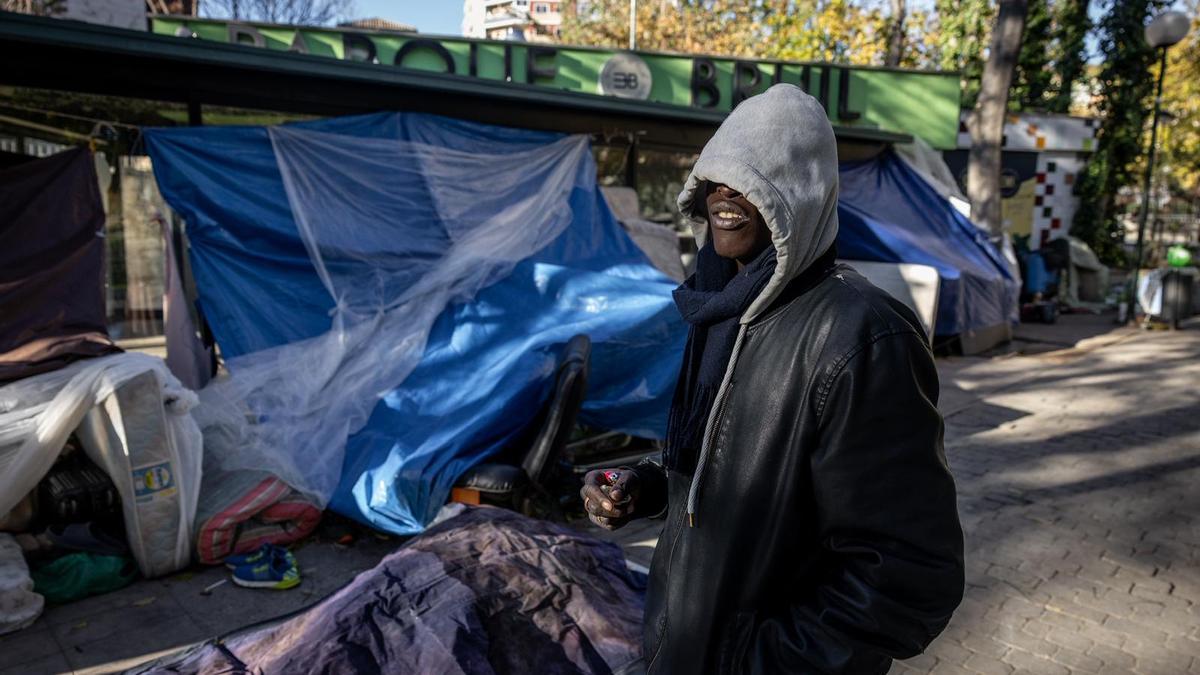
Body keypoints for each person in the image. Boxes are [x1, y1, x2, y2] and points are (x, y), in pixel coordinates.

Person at [581, 84, 965, 674]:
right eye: (716, 176)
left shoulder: (862, 336)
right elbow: (735, 462)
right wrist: (649, 483)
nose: (726, 192)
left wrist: (755, 662)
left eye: (754, 179)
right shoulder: (721, 308)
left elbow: (906, 576)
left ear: (801, 198)